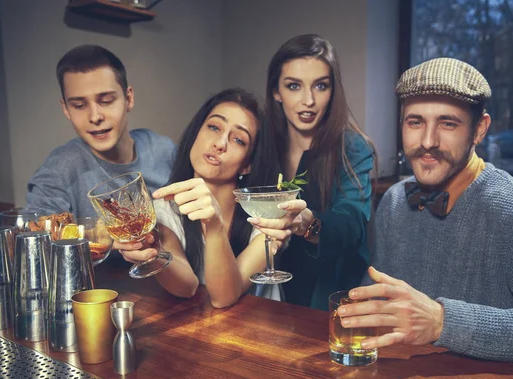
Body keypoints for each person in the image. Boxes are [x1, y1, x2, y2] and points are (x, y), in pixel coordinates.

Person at [338, 57, 513, 365]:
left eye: (448, 123)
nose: (427, 141)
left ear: (479, 130)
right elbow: (380, 296)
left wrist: (442, 321)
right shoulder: (395, 200)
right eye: (415, 122)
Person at [116, 88, 282, 308]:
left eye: (239, 140)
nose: (220, 143)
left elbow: (224, 296)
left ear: (248, 164)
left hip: (268, 331)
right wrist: (153, 253)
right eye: (214, 127)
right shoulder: (166, 209)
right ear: (196, 132)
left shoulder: (265, 214)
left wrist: (214, 226)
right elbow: (186, 287)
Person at [251, 34, 377, 310]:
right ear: (276, 91)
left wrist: (310, 224)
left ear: (333, 91)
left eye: (320, 86)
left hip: (325, 303)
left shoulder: (352, 148)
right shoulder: (262, 146)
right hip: (262, 300)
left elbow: (352, 222)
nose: (308, 100)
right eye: (294, 86)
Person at [25, 44, 177, 217]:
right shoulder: (58, 170)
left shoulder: (164, 150)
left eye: (106, 101)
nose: (95, 117)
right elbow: (35, 234)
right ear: (66, 109)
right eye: (79, 106)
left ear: (128, 98)